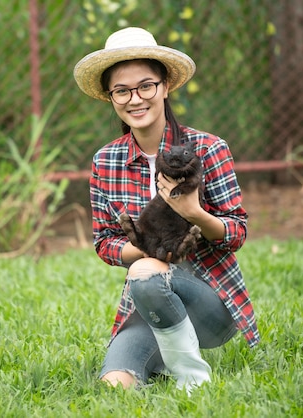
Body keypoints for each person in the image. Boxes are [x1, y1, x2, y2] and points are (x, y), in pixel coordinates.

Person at [73, 27, 260, 392]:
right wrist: (152, 250)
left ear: (165, 87)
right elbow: (104, 243)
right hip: (146, 300)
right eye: (122, 91)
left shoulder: (207, 148)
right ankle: (167, 357)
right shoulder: (105, 160)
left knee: (144, 270)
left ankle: (192, 380)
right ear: (111, 97)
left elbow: (236, 232)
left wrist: (194, 212)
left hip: (211, 300)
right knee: (116, 384)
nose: (135, 99)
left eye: (146, 86)